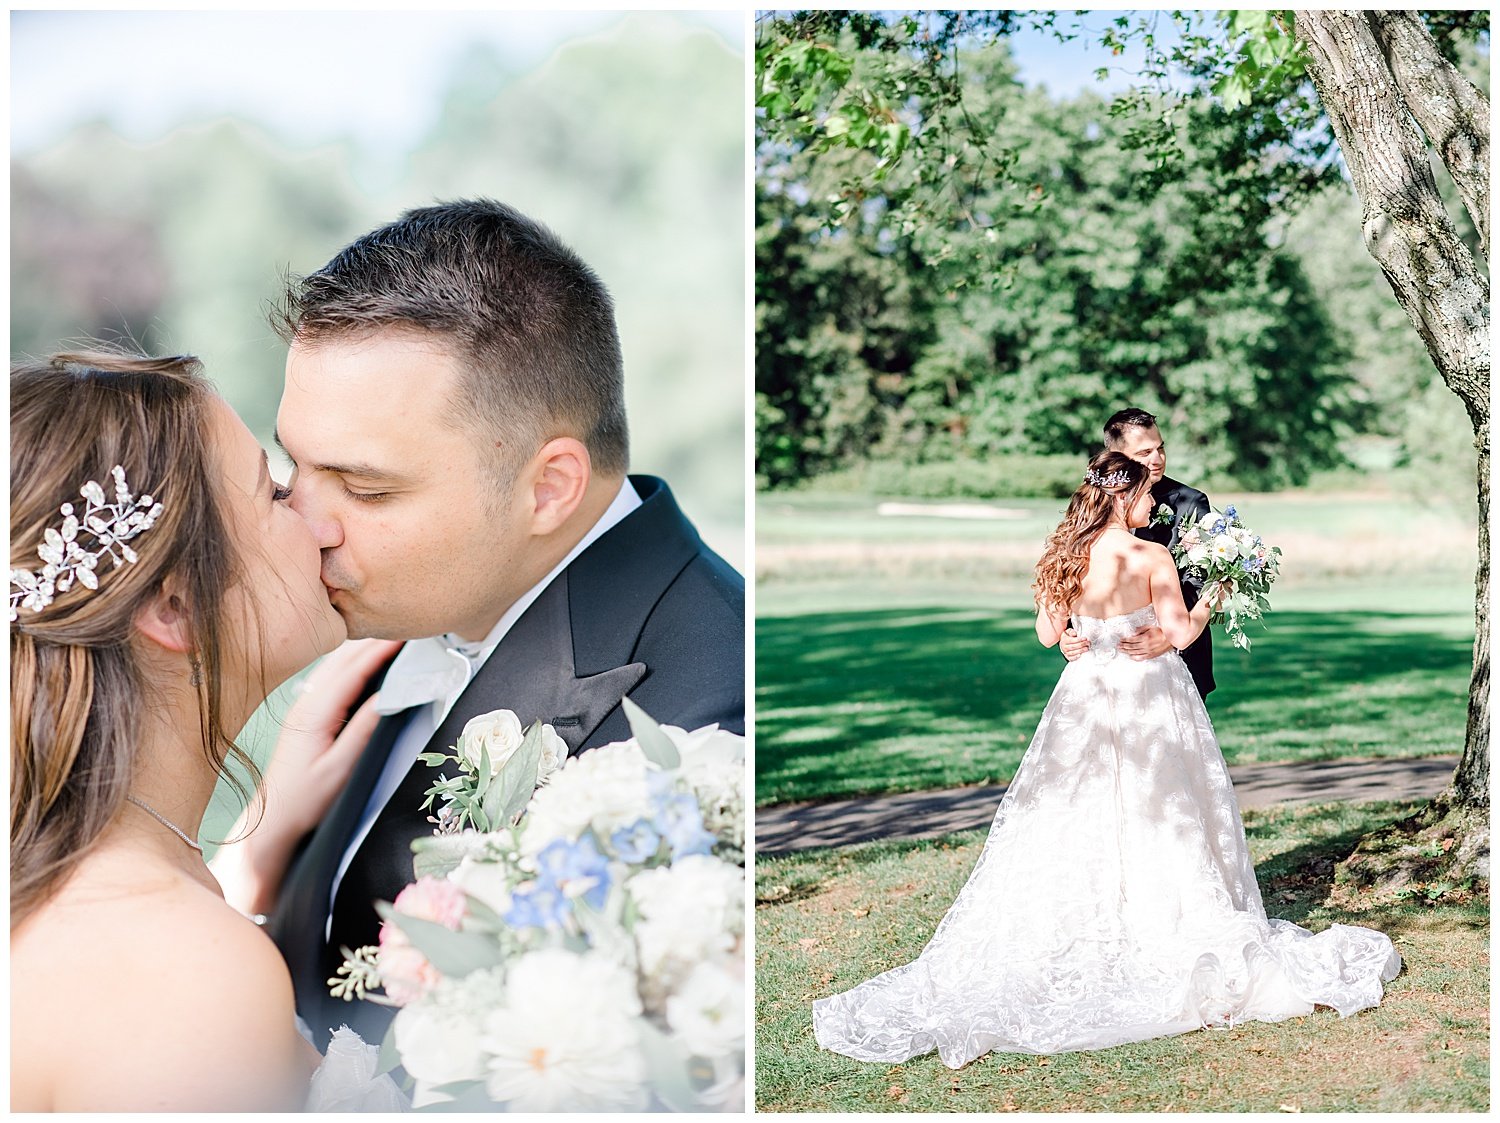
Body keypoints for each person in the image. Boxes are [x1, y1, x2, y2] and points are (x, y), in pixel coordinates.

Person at [213, 199, 746, 1048]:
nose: (305, 523)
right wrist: (260, 852)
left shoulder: (708, 729)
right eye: (294, 464)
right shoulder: (388, 621)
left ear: (549, 487)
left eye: (367, 488)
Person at [811, 451, 1399, 1069]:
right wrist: (1215, 597)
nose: (1154, 504)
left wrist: (1074, 635)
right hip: (1149, 692)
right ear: (1125, 497)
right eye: (1148, 494)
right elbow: (1178, 630)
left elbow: (1048, 636)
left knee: (1078, 803)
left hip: (1086, 693)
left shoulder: (1065, 554)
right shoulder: (1151, 556)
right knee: (1161, 806)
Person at [9, 351, 405, 1111]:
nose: (320, 522)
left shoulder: (100, 900)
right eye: (273, 491)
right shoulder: (186, 979)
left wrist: (249, 873)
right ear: (176, 607)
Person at [1061, 407, 1214, 700]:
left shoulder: (1189, 502)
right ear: (1115, 455)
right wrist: (1069, 632)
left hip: (1176, 663)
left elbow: (1200, 580)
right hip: (1100, 667)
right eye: (1144, 453)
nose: (1156, 460)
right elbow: (1074, 568)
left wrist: (1170, 639)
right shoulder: (1089, 504)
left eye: (1160, 448)